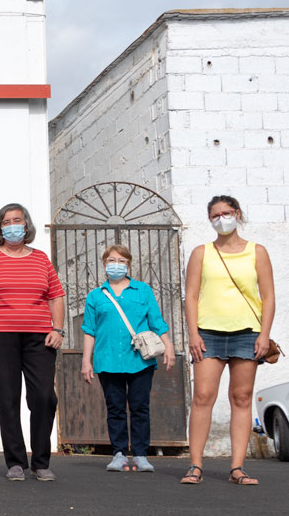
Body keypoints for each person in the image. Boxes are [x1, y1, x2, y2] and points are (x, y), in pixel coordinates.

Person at [181, 195, 277, 486]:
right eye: (215, 215)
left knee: (242, 398)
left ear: (237, 213)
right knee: (203, 397)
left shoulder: (257, 252)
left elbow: (268, 296)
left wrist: (263, 333)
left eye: (226, 212)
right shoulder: (202, 253)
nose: (221, 218)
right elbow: (192, 296)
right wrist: (193, 334)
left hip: (247, 333)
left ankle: (237, 467)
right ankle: (195, 465)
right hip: (208, 333)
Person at [0, 203, 65, 482]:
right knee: (7, 400)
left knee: (44, 398)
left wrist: (58, 329)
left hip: (39, 338)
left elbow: (56, 296)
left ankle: (41, 461)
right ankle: (16, 462)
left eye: (18, 220)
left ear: (27, 225)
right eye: (7, 221)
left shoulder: (41, 259)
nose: (13, 225)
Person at [80, 244, 175, 473]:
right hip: (108, 359)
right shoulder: (96, 296)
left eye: (122, 261)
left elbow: (157, 321)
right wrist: (86, 361)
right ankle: (119, 453)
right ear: (104, 264)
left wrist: (169, 346)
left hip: (139, 361)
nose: (117, 265)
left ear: (129, 264)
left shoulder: (142, 290)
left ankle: (141, 455)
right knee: (115, 409)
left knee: (140, 407)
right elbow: (89, 330)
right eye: (112, 260)